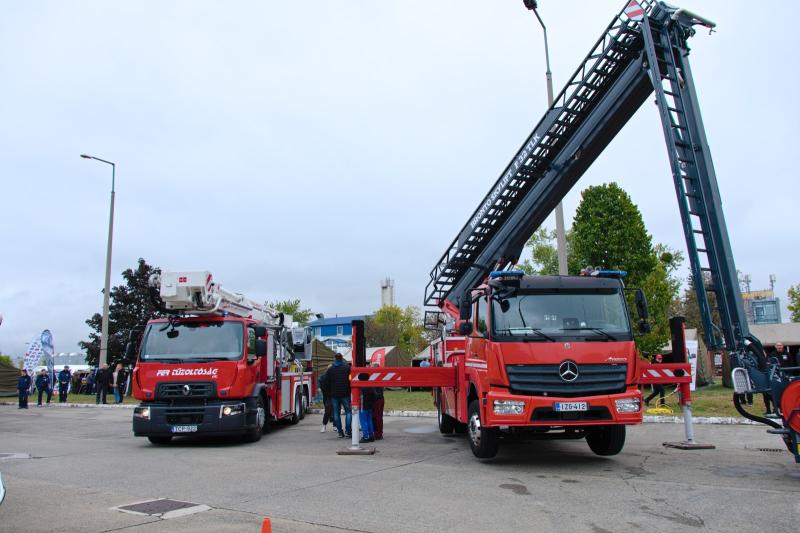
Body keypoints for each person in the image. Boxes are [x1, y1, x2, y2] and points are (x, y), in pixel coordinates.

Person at [328, 353, 352, 438]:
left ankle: (340, 432)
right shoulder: (347, 368)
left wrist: (329, 391)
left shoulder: (330, 369)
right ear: (342, 358)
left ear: (335, 358)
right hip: (345, 393)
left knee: (336, 413)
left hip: (334, 394)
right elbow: (351, 379)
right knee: (348, 412)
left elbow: (327, 381)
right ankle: (348, 431)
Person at [318, 365, 333, 433]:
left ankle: (331, 425)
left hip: (329, 396)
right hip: (328, 396)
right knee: (329, 411)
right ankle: (325, 425)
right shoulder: (324, 377)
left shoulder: (324, 377)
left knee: (331, 411)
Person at [371, 363, 384, 440]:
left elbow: (376, 390)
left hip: (377, 399)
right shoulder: (379, 376)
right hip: (377, 398)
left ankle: (378, 434)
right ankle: (376, 432)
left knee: (377, 417)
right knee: (375, 417)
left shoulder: (377, 377)